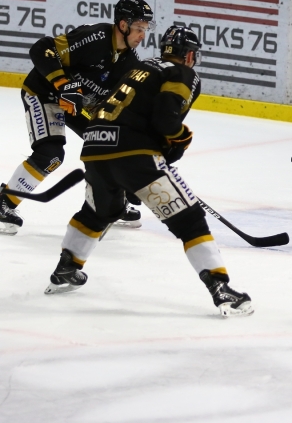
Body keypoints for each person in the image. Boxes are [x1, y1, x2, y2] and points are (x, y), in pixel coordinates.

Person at [42, 26, 254, 317]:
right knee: (190, 221)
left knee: (97, 213)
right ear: (190, 54)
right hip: (135, 155)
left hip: (94, 148)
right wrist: (179, 139)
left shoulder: (139, 68)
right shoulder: (182, 73)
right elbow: (165, 121)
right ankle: (221, 289)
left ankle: (66, 269)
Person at [0, 0, 154, 236]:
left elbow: (115, 108)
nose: (142, 35)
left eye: (145, 29)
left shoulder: (129, 64)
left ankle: (114, 202)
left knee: (112, 146)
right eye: (139, 28)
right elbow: (42, 49)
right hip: (45, 94)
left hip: (77, 106)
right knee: (51, 155)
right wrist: (63, 84)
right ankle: (5, 203)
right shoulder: (95, 37)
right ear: (123, 25)